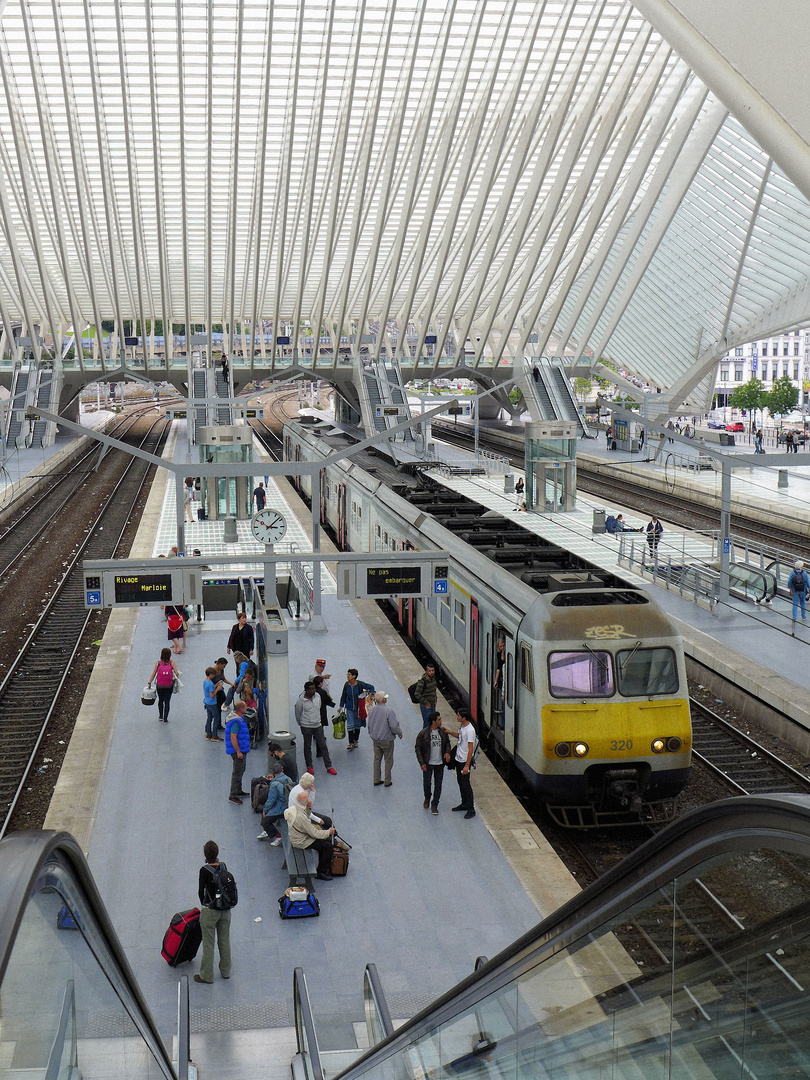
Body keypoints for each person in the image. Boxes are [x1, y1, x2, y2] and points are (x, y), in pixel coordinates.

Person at [194, 840, 232, 984]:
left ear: (205, 854)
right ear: (217, 853)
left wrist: (204, 905)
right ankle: (226, 971)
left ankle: (207, 976)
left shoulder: (204, 870)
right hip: (225, 909)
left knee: (208, 943)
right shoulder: (223, 866)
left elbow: (200, 891)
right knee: (224, 940)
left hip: (210, 911)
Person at [284, 791, 337, 882]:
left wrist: (308, 808)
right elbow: (315, 834)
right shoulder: (301, 818)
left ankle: (323, 867)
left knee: (324, 844)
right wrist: (329, 832)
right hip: (302, 841)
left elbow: (306, 814)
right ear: (305, 802)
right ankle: (321, 872)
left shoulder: (295, 808)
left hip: (296, 836)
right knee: (328, 847)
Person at [295, 682, 337, 775]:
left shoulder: (317, 696)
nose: (313, 691)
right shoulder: (300, 702)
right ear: (306, 690)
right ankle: (309, 766)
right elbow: (298, 714)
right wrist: (301, 724)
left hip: (318, 725)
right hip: (306, 726)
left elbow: (319, 706)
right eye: (311, 689)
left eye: (314, 688)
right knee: (307, 746)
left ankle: (329, 766)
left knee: (323, 746)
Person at [415, 710, 451, 813]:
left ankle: (435, 804)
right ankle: (427, 798)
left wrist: (447, 752)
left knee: (438, 785)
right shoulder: (423, 734)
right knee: (427, 784)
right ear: (433, 722)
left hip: (440, 764)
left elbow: (447, 743)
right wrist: (422, 763)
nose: (441, 721)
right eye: (439, 720)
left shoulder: (443, 732)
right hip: (428, 764)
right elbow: (418, 748)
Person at [367, 691, 403, 787]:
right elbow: (394, 726)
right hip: (387, 740)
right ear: (383, 700)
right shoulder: (388, 711)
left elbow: (369, 725)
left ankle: (376, 779)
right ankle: (387, 781)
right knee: (388, 760)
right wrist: (399, 733)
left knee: (377, 760)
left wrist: (372, 734)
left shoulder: (372, 710)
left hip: (376, 740)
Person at [257, 763, 293, 845]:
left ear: (274, 773)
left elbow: (271, 800)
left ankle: (278, 836)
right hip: (288, 805)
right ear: (282, 770)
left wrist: (265, 810)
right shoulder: (288, 779)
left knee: (265, 822)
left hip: (280, 808)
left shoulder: (274, 785)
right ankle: (267, 832)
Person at [450, 709, 477, 819]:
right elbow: (460, 737)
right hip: (459, 759)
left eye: (458, 715)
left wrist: (467, 765)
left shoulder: (470, 731)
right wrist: (449, 732)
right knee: (460, 782)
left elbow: (470, 749)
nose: (457, 717)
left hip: (464, 761)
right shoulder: (462, 727)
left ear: (464, 718)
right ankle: (464, 803)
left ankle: (471, 808)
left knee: (466, 784)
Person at [339, 668, 375, 750]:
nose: (347, 676)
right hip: (349, 707)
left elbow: (371, 687)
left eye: (349, 675)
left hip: (359, 708)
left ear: (354, 676)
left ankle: (356, 741)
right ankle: (351, 743)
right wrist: (341, 706)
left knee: (357, 725)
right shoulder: (346, 685)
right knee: (350, 725)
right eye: (347, 674)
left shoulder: (360, 684)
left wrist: (371, 695)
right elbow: (343, 696)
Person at [226, 701, 251, 804]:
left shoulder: (239, 719)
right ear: (241, 709)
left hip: (241, 748)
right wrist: (238, 751)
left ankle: (238, 790)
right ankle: (233, 795)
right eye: (245, 707)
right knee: (237, 772)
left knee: (241, 769)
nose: (247, 708)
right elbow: (233, 737)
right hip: (238, 750)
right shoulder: (236, 722)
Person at [147, 647, 179, 723]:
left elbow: (153, 674)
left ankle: (160, 716)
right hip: (169, 685)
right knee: (167, 702)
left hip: (160, 686)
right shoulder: (172, 663)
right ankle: (165, 719)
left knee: (160, 700)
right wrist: (173, 676)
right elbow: (176, 673)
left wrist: (149, 683)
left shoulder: (158, 663)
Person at [414, 663, 438, 729]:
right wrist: (426, 702)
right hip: (426, 706)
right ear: (426, 671)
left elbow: (434, 690)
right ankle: (424, 738)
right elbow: (417, 694)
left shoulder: (433, 680)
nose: (431, 672)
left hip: (433, 705)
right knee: (427, 724)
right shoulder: (422, 682)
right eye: (429, 671)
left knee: (432, 723)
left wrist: (435, 699)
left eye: (433, 670)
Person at [203, 667, 223, 741]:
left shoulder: (205, 682)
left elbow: (209, 691)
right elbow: (212, 695)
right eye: (213, 675)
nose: (214, 676)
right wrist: (218, 689)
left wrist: (216, 685)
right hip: (212, 703)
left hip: (206, 701)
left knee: (209, 717)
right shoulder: (210, 684)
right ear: (211, 674)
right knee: (216, 718)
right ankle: (214, 735)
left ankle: (208, 734)